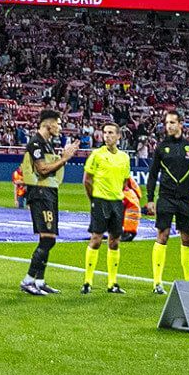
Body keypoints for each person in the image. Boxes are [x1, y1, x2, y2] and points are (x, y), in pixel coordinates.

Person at [19, 109, 77, 296]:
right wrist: (65, 158)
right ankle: (28, 280)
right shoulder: (36, 143)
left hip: (49, 192)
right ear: (48, 124)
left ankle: (40, 281)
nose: (60, 127)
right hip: (40, 193)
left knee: (48, 239)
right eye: (58, 124)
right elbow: (42, 169)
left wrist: (62, 157)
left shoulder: (47, 144)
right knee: (48, 239)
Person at [145, 109, 189, 294]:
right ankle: (157, 283)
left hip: (185, 199)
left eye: (172, 122)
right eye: (166, 123)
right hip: (166, 197)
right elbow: (153, 174)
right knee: (163, 235)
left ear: (180, 124)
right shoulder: (161, 148)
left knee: (187, 238)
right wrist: (150, 198)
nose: (168, 126)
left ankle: (188, 283)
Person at [82, 122, 132, 295]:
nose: (107, 136)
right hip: (100, 201)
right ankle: (87, 281)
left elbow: (125, 181)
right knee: (96, 239)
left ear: (118, 136)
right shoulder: (96, 154)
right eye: (105, 132)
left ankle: (112, 283)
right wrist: (94, 199)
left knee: (115, 241)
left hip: (117, 202)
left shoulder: (124, 158)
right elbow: (87, 180)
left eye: (111, 133)